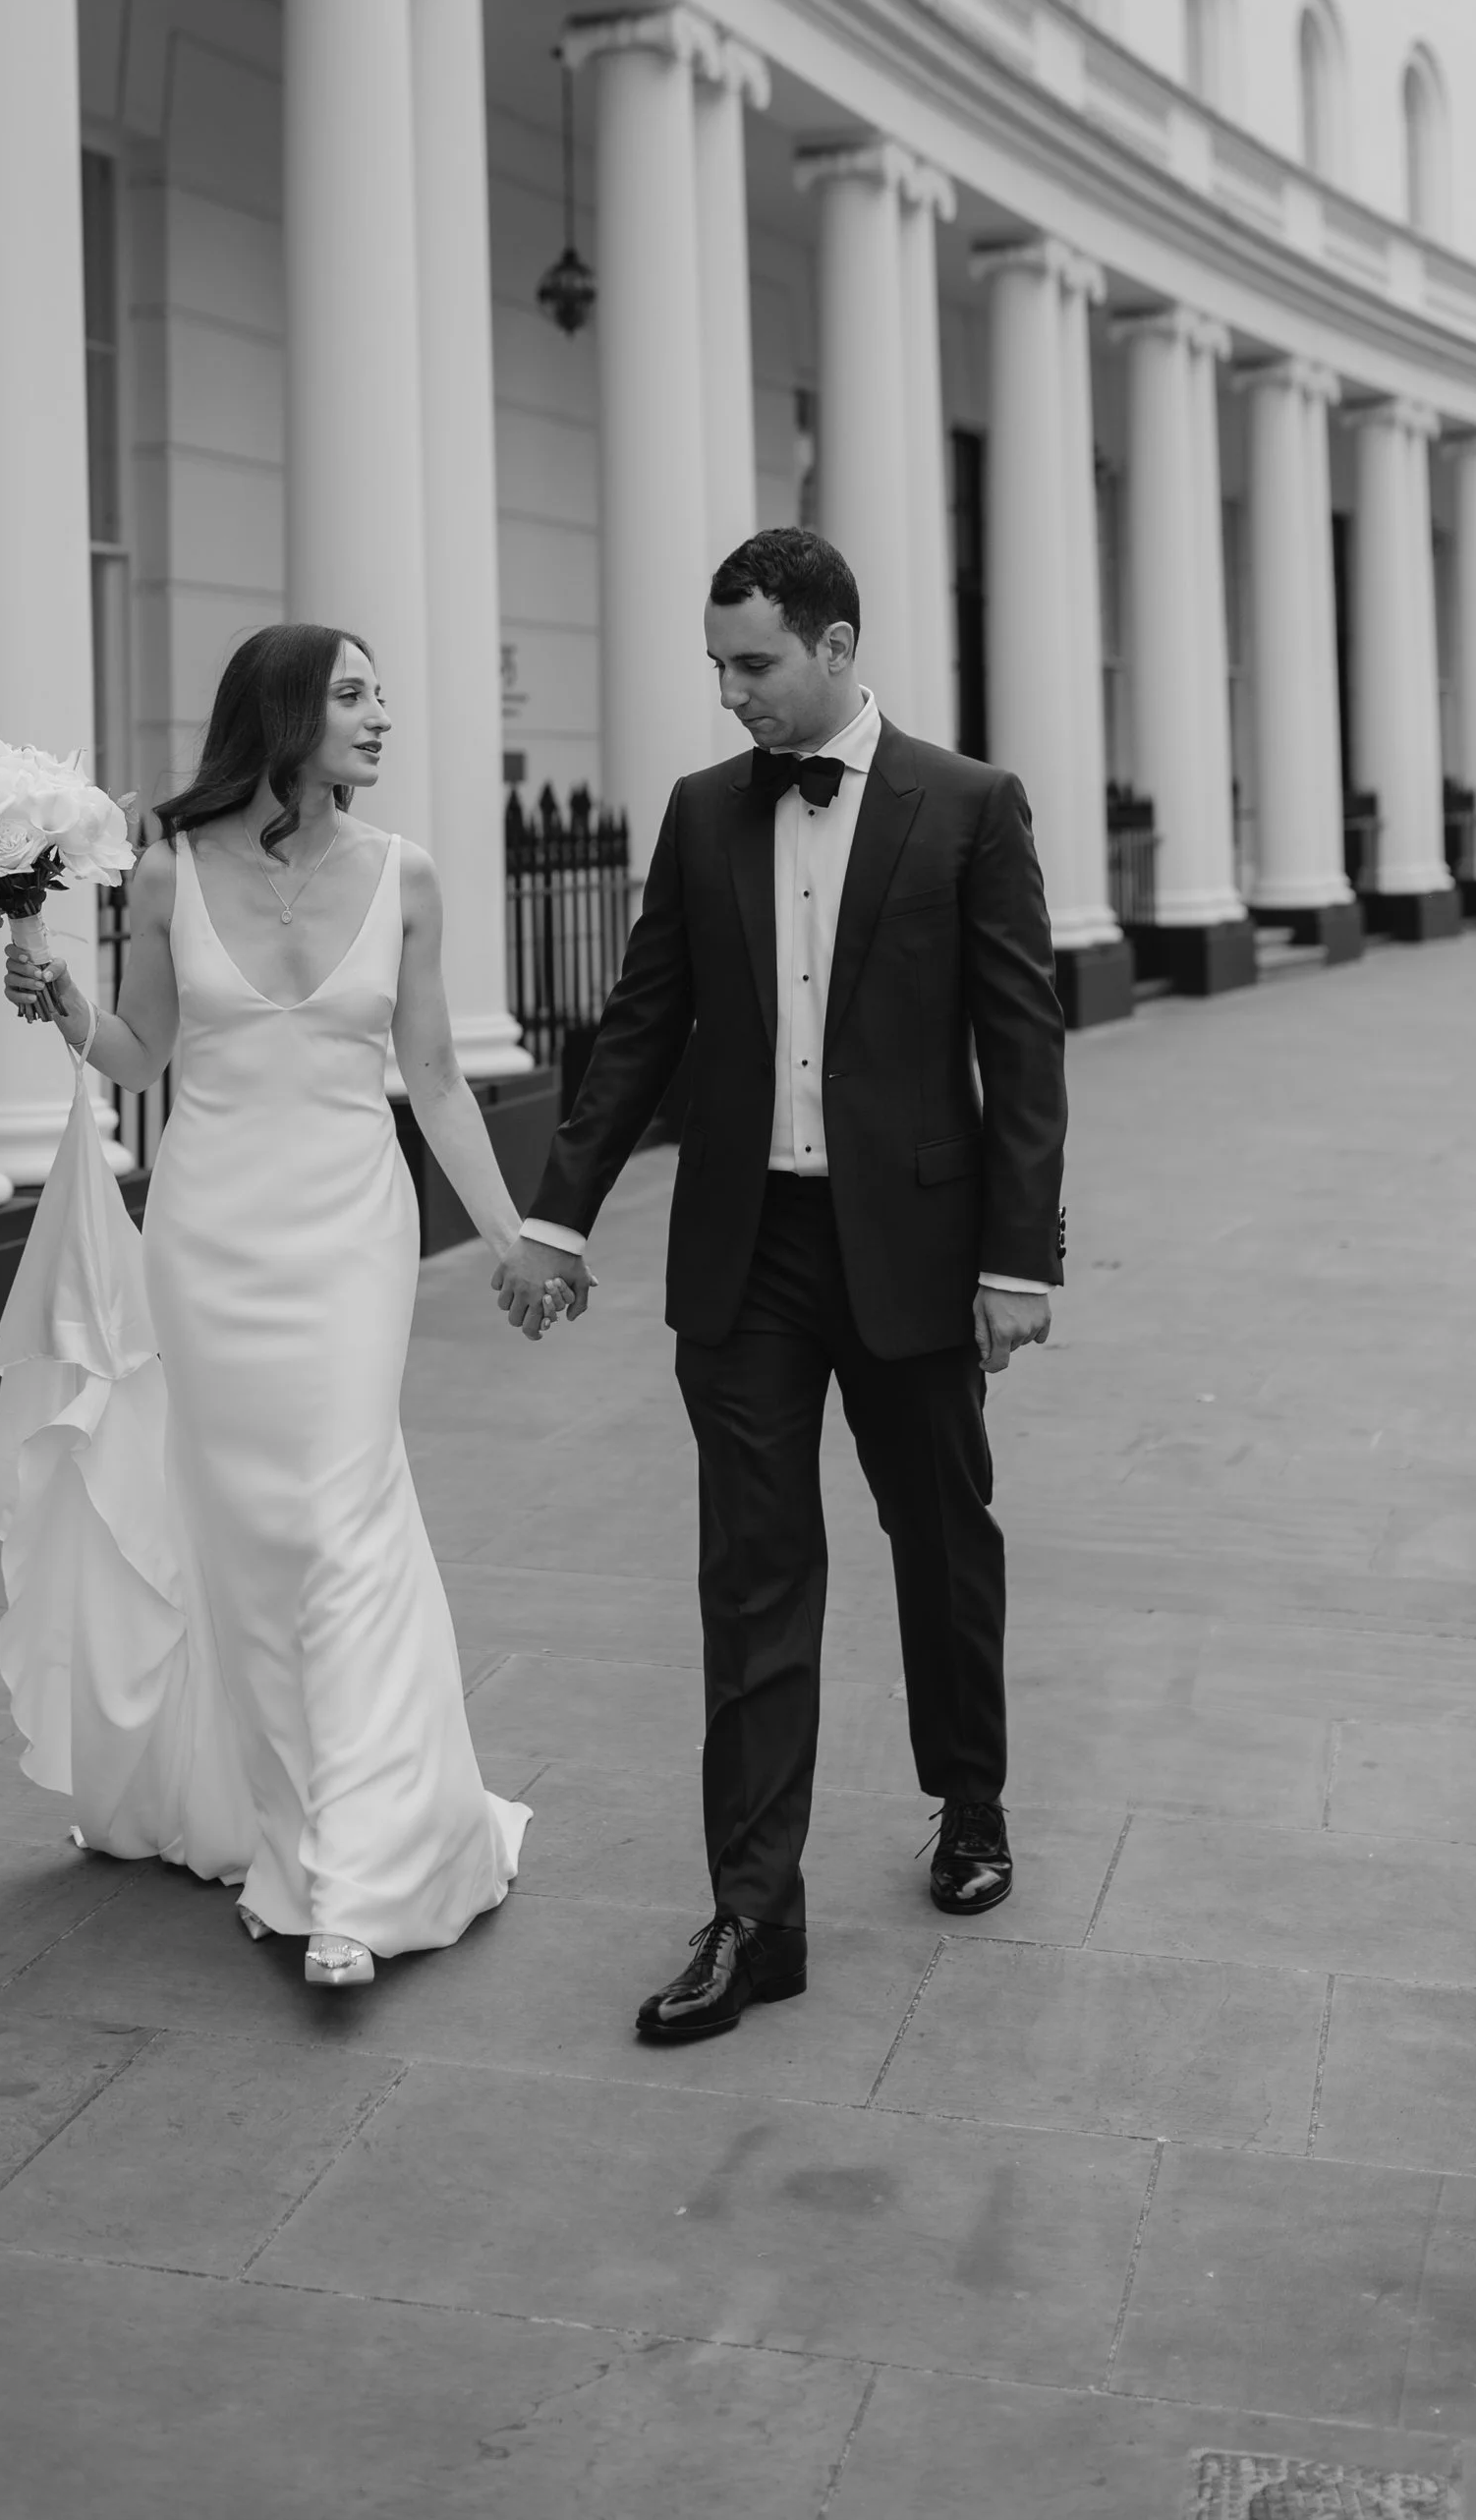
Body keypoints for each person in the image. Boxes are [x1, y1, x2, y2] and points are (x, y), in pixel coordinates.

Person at [495, 527, 1065, 2045]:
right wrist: (560, 1219)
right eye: (718, 668)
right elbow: (639, 1029)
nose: (732, 694)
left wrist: (1021, 1257)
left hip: (920, 1256)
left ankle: (971, 1799)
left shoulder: (969, 807)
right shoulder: (698, 817)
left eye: (754, 665)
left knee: (940, 1535)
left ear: (834, 644)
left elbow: (1023, 1051)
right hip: (744, 1257)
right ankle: (756, 1914)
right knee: (751, 1577)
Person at [0, 622, 530, 1988]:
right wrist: (56, 990)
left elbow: (439, 1077)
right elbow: (142, 1053)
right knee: (245, 1534)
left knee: (338, 1519)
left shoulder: (405, 876)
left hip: (352, 1237)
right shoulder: (170, 871)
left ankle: (348, 1876)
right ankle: (272, 1810)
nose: (380, 716)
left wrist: (515, 1237)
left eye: (380, 695)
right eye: (353, 695)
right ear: (284, 715)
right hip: (209, 1234)